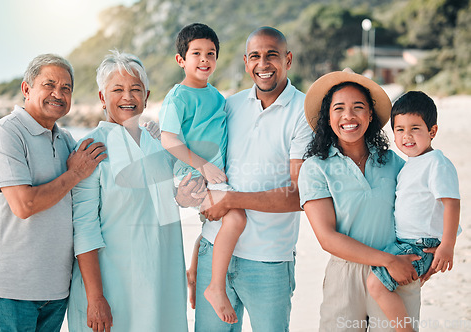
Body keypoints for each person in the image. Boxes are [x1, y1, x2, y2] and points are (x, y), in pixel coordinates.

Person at [67, 50, 205, 332]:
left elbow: (172, 193)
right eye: (117, 89)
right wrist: (95, 298)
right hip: (113, 287)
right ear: (103, 97)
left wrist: (183, 195)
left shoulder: (159, 143)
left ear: (147, 95)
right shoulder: (91, 147)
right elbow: (84, 227)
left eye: (135, 89)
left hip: (161, 279)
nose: (127, 97)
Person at [193, 26, 313, 332]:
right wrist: (198, 249)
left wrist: (232, 201)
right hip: (214, 249)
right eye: (256, 56)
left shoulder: (305, 114)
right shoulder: (228, 106)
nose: (263, 64)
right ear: (246, 62)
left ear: (288, 59)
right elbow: (210, 171)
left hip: (269, 259)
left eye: (272, 55)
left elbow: (300, 194)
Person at [0, 54, 106, 331]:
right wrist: (74, 174)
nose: (58, 94)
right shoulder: (5, 134)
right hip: (13, 290)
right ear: (27, 89)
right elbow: (25, 204)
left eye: (66, 88)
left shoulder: (67, 141)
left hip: (57, 291)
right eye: (49, 85)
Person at [298, 70, 424, 332]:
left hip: (395, 272)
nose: (348, 116)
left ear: (370, 115)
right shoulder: (315, 168)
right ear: (328, 117)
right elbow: (327, 238)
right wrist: (386, 260)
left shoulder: (394, 163)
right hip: (345, 276)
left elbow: (424, 205)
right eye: (339, 108)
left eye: (358, 107)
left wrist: (431, 255)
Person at [159, 22, 246, 324]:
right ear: (181, 60)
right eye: (196, 53)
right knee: (235, 217)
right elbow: (168, 139)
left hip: (214, 176)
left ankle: (194, 274)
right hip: (192, 176)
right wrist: (202, 165)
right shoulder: (178, 97)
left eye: (210, 53)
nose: (204, 59)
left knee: (211, 228)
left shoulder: (218, 98)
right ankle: (215, 287)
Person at [366, 91, 461, 332]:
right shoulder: (410, 164)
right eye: (399, 129)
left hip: (418, 244)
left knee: (375, 284)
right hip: (407, 242)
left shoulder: (436, 163)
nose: (406, 136)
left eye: (415, 128)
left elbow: (451, 203)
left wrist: (447, 245)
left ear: (432, 131)